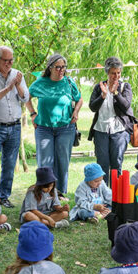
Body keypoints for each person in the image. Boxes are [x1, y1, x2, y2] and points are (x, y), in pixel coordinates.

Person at [26, 53, 83, 196]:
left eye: (63, 67)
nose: (61, 70)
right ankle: (45, 194)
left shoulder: (69, 82)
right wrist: (33, 113)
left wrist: (76, 111)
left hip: (65, 128)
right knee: (45, 163)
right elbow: (26, 97)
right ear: (50, 67)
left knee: (62, 162)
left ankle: (60, 193)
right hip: (44, 128)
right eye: (58, 67)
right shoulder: (40, 82)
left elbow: (79, 99)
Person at [0, 46, 29, 208]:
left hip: (14, 127)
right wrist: (8, 88)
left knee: (9, 164)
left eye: (11, 60)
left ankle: (3, 196)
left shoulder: (17, 75)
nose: (9, 63)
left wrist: (17, 86)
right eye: (6, 60)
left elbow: (25, 98)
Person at [88, 57, 135, 184]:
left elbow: (126, 106)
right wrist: (103, 96)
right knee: (102, 164)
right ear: (107, 73)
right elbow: (92, 107)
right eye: (113, 73)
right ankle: (103, 194)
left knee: (116, 163)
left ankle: (115, 194)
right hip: (101, 129)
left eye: (118, 73)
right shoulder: (99, 87)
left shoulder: (125, 86)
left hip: (119, 130)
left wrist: (115, 94)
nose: (116, 76)